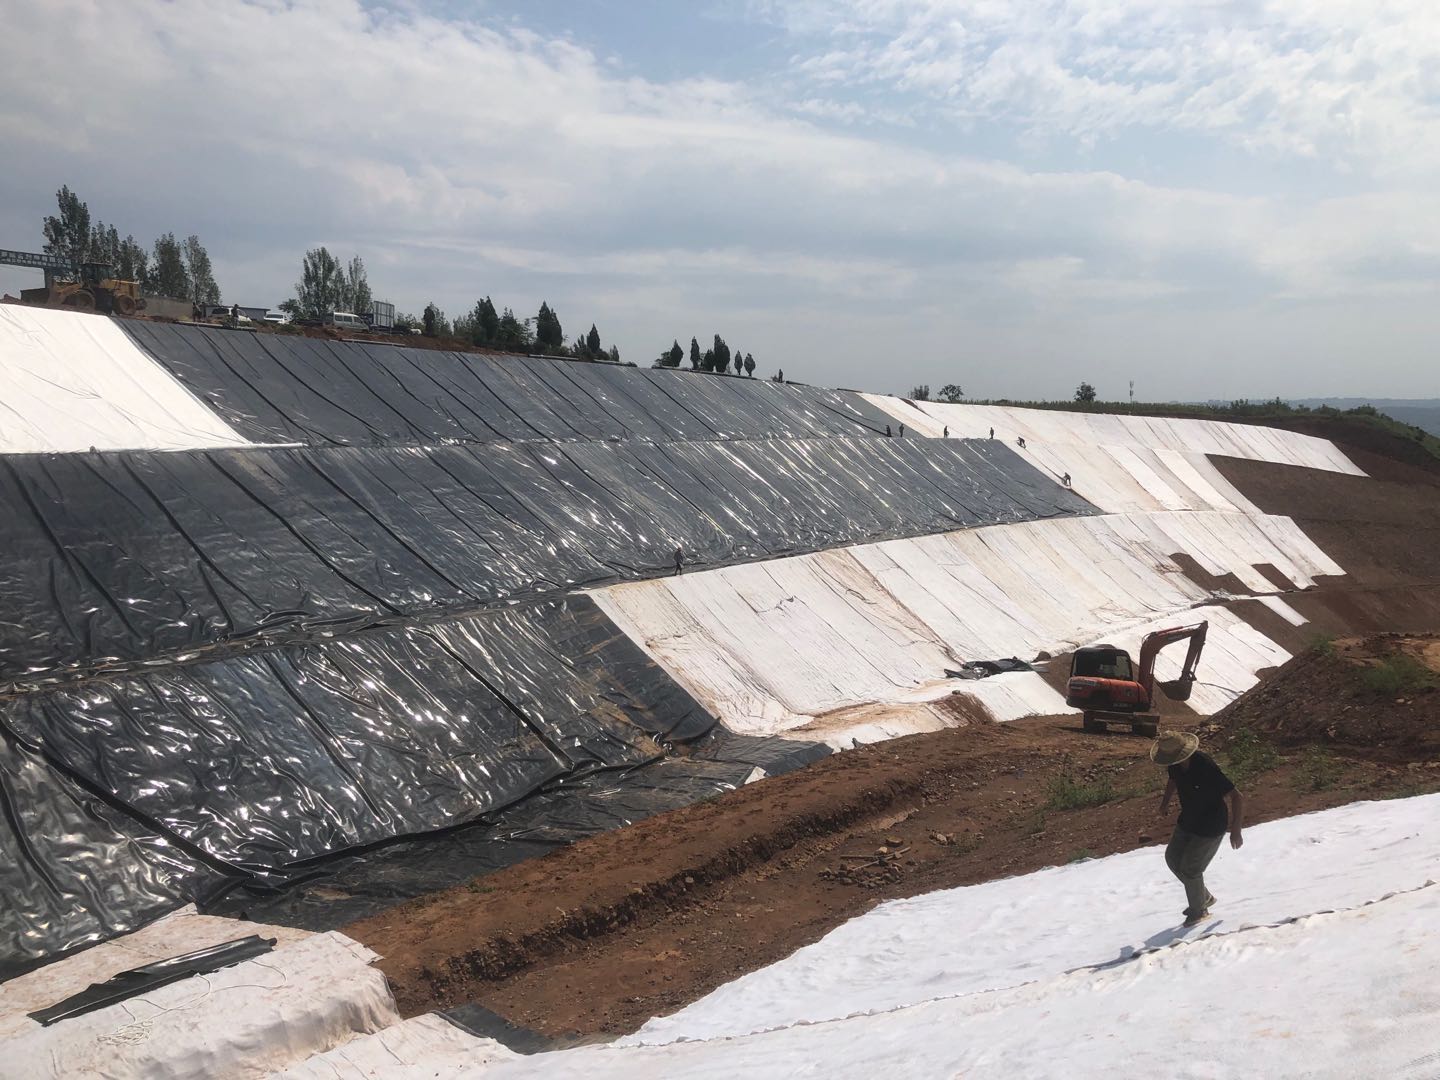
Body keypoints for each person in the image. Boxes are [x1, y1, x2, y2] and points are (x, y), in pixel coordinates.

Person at [1152, 731, 1243, 927]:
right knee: (1173, 859)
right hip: (1189, 819)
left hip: (1211, 824)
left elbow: (1237, 796)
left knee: (1191, 869)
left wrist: (1236, 830)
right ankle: (1203, 898)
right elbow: (1173, 780)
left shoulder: (1205, 766)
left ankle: (1199, 910)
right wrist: (1165, 803)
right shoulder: (1175, 765)